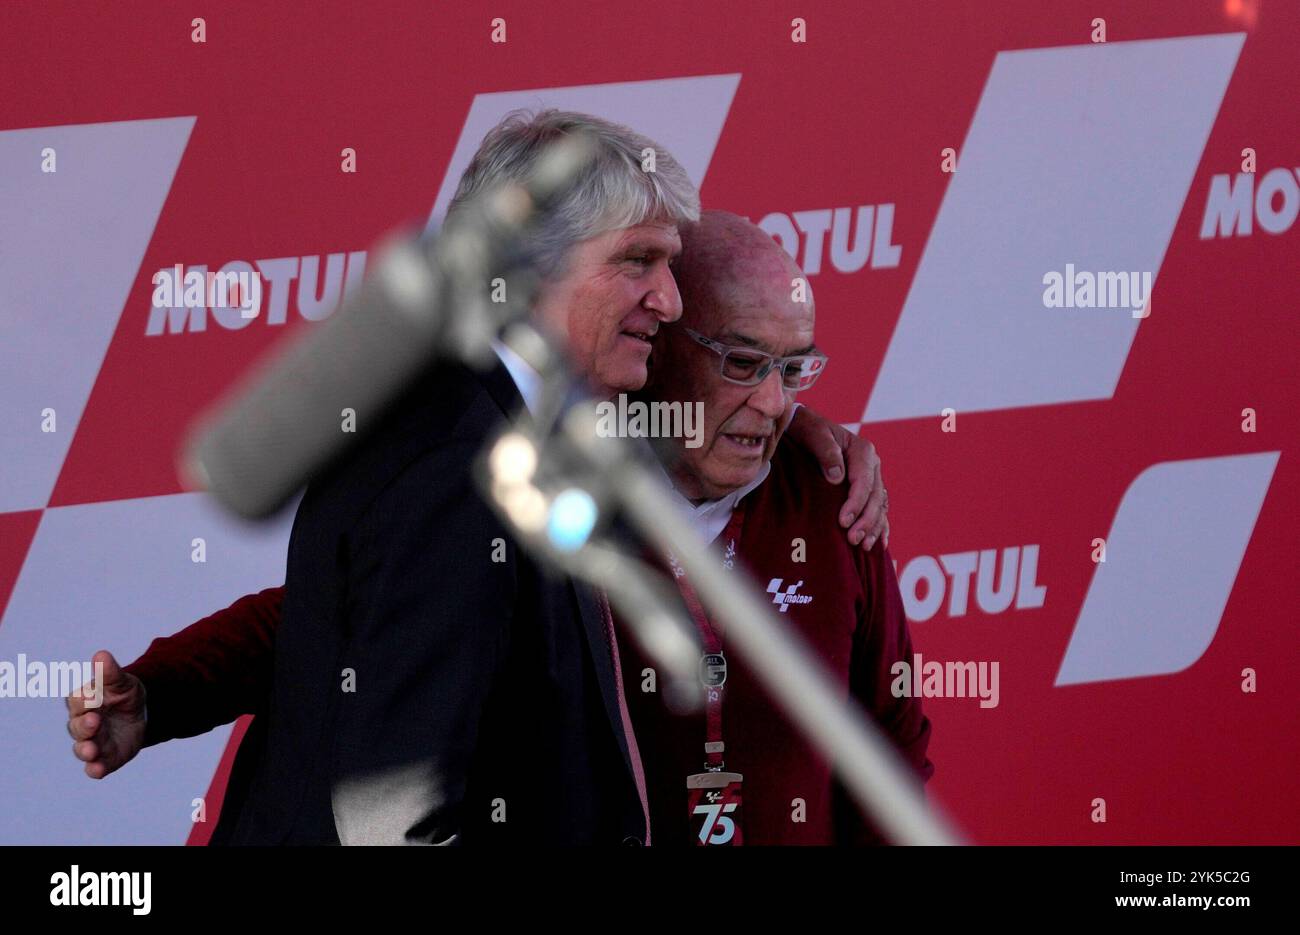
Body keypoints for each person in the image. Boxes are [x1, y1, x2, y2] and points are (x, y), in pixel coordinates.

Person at [65, 112, 892, 845]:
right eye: (743, 360)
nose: (666, 300)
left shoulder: (809, 491)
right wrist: (168, 689)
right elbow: (395, 802)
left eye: (794, 368)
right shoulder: (467, 458)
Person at [619, 210, 931, 845]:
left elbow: (890, 740)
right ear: (660, 343)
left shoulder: (832, 496)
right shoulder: (571, 501)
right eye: (742, 362)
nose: (772, 403)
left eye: (793, 370)